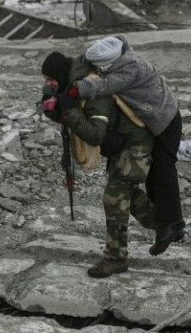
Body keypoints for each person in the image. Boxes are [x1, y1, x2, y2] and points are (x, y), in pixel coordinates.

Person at [41, 52, 157, 278]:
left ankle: (116, 258)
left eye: (49, 79)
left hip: (136, 142)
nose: (47, 84)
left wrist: (67, 109)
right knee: (127, 193)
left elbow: (94, 134)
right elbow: (78, 118)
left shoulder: (92, 90)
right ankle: (164, 225)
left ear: (59, 75)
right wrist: (55, 111)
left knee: (113, 198)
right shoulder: (70, 86)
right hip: (122, 142)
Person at [73, 36, 185, 255]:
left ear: (110, 62)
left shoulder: (131, 68)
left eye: (100, 66)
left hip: (165, 119)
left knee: (163, 171)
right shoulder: (116, 48)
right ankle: (165, 225)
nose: (97, 68)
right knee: (152, 175)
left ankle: (173, 224)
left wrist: (71, 89)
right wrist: (69, 69)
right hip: (151, 119)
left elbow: (102, 86)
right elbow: (85, 61)